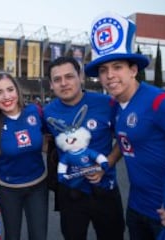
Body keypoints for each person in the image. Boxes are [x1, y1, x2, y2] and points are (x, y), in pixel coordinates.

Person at [84, 11, 165, 240]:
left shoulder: (161, 102)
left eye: (117, 67)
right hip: (136, 209)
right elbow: (125, 139)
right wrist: (109, 162)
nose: (110, 76)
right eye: (103, 70)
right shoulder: (115, 105)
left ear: (133, 70)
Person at [44, 56, 125, 240]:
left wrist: (107, 164)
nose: (64, 83)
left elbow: (124, 140)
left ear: (80, 77)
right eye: (57, 79)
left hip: (105, 188)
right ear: (51, 85)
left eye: (69, 76)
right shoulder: (48, 112)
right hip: (70, 192)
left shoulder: (107, 104)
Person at [0, 71, 48, 240]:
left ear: (17, 91)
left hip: (38, 184)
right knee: (12, 236)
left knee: (39, 235)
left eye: (10, 89)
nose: (6, 96)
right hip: (8, 188)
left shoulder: (35, 111)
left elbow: (50, 137)